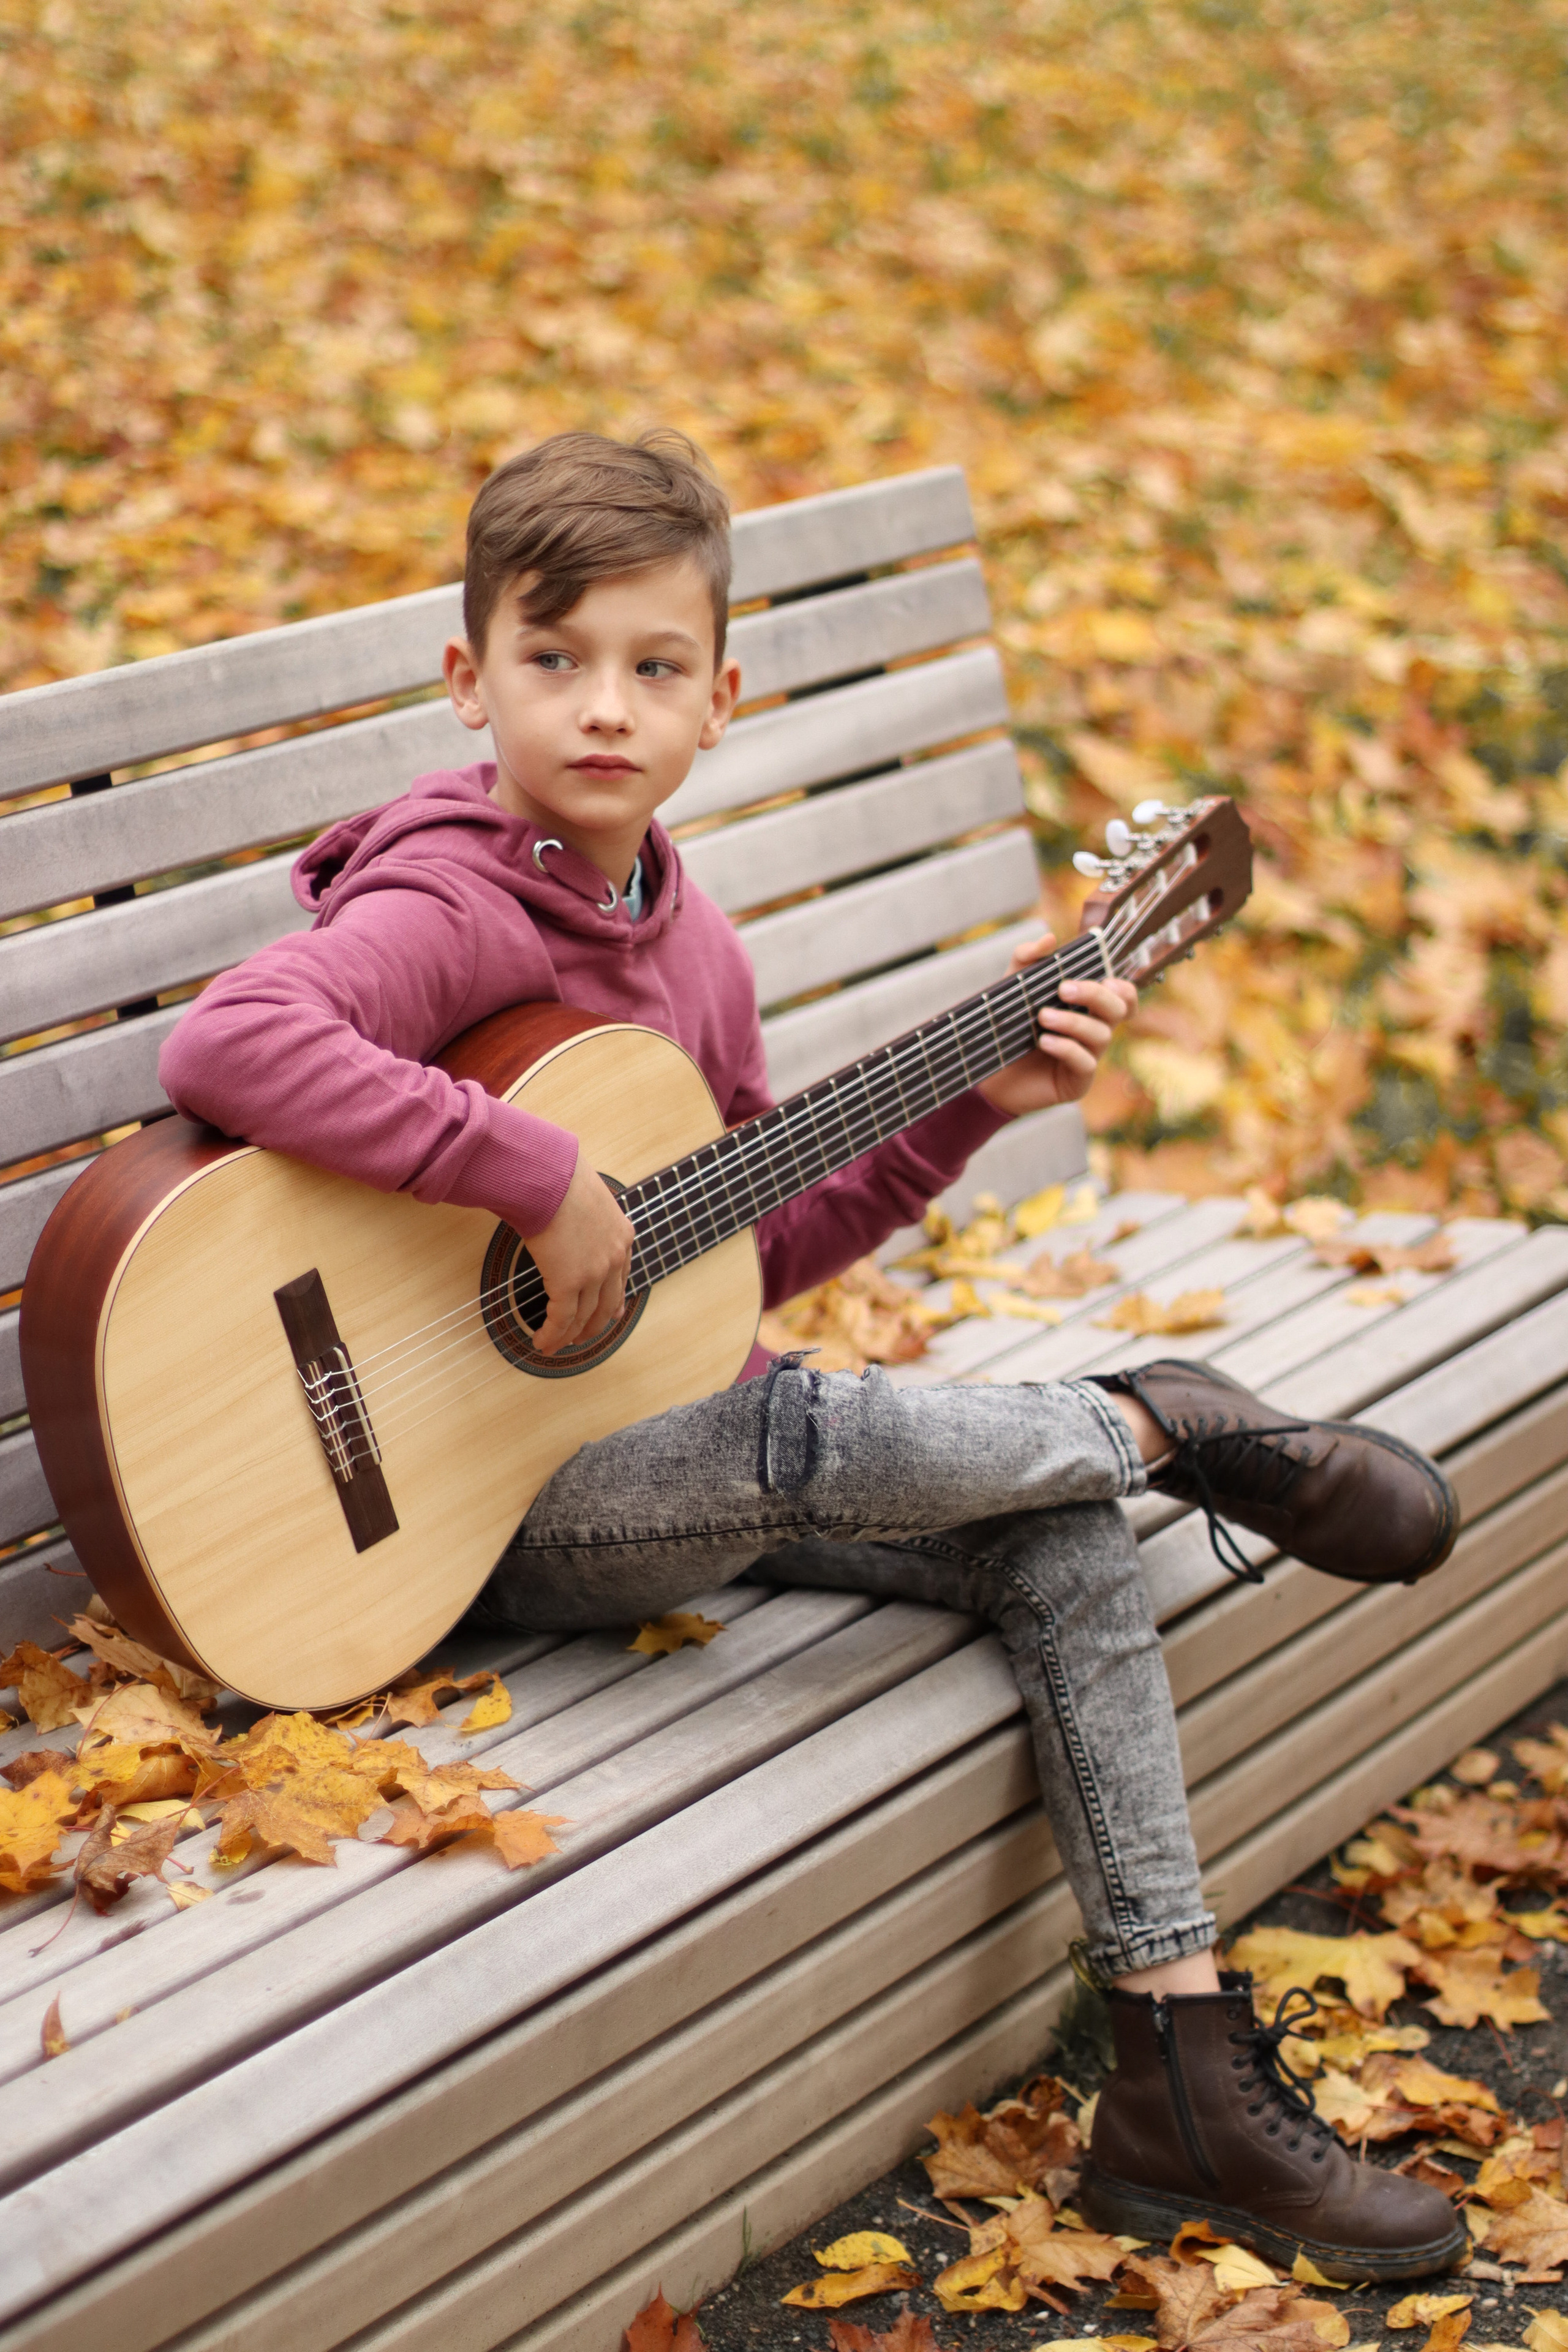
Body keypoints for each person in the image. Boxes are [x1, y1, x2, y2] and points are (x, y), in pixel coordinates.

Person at [159, 429, 1465, 2283]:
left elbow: (738, 1263)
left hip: (678, 1449)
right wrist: (528, 1172)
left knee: (1055, 1540)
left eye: (653, 668)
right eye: (554, 659)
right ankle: (1152, 1419)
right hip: (461, 1525)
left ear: (721, 700)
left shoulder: (696, 952)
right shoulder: (445, 903)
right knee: (803, 1432)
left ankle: (1175, 2065)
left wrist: (967, 1114)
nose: (602, 706)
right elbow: (233, 1047)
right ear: (469, 680)